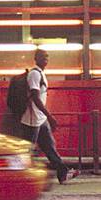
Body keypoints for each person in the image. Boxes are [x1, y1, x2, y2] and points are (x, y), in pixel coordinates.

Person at [21, 48, 76, 184]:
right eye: (42, 56)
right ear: (36, 58)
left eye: (47, 56)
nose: (45, 59)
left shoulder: (41, 73)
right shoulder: (34, 74)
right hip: (32, 119)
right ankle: (24, 177)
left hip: (40, 118)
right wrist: (49, 116)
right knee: (29, 150)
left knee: (49, 146)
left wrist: (46, 117)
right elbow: (35, 97)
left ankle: (63, 173)